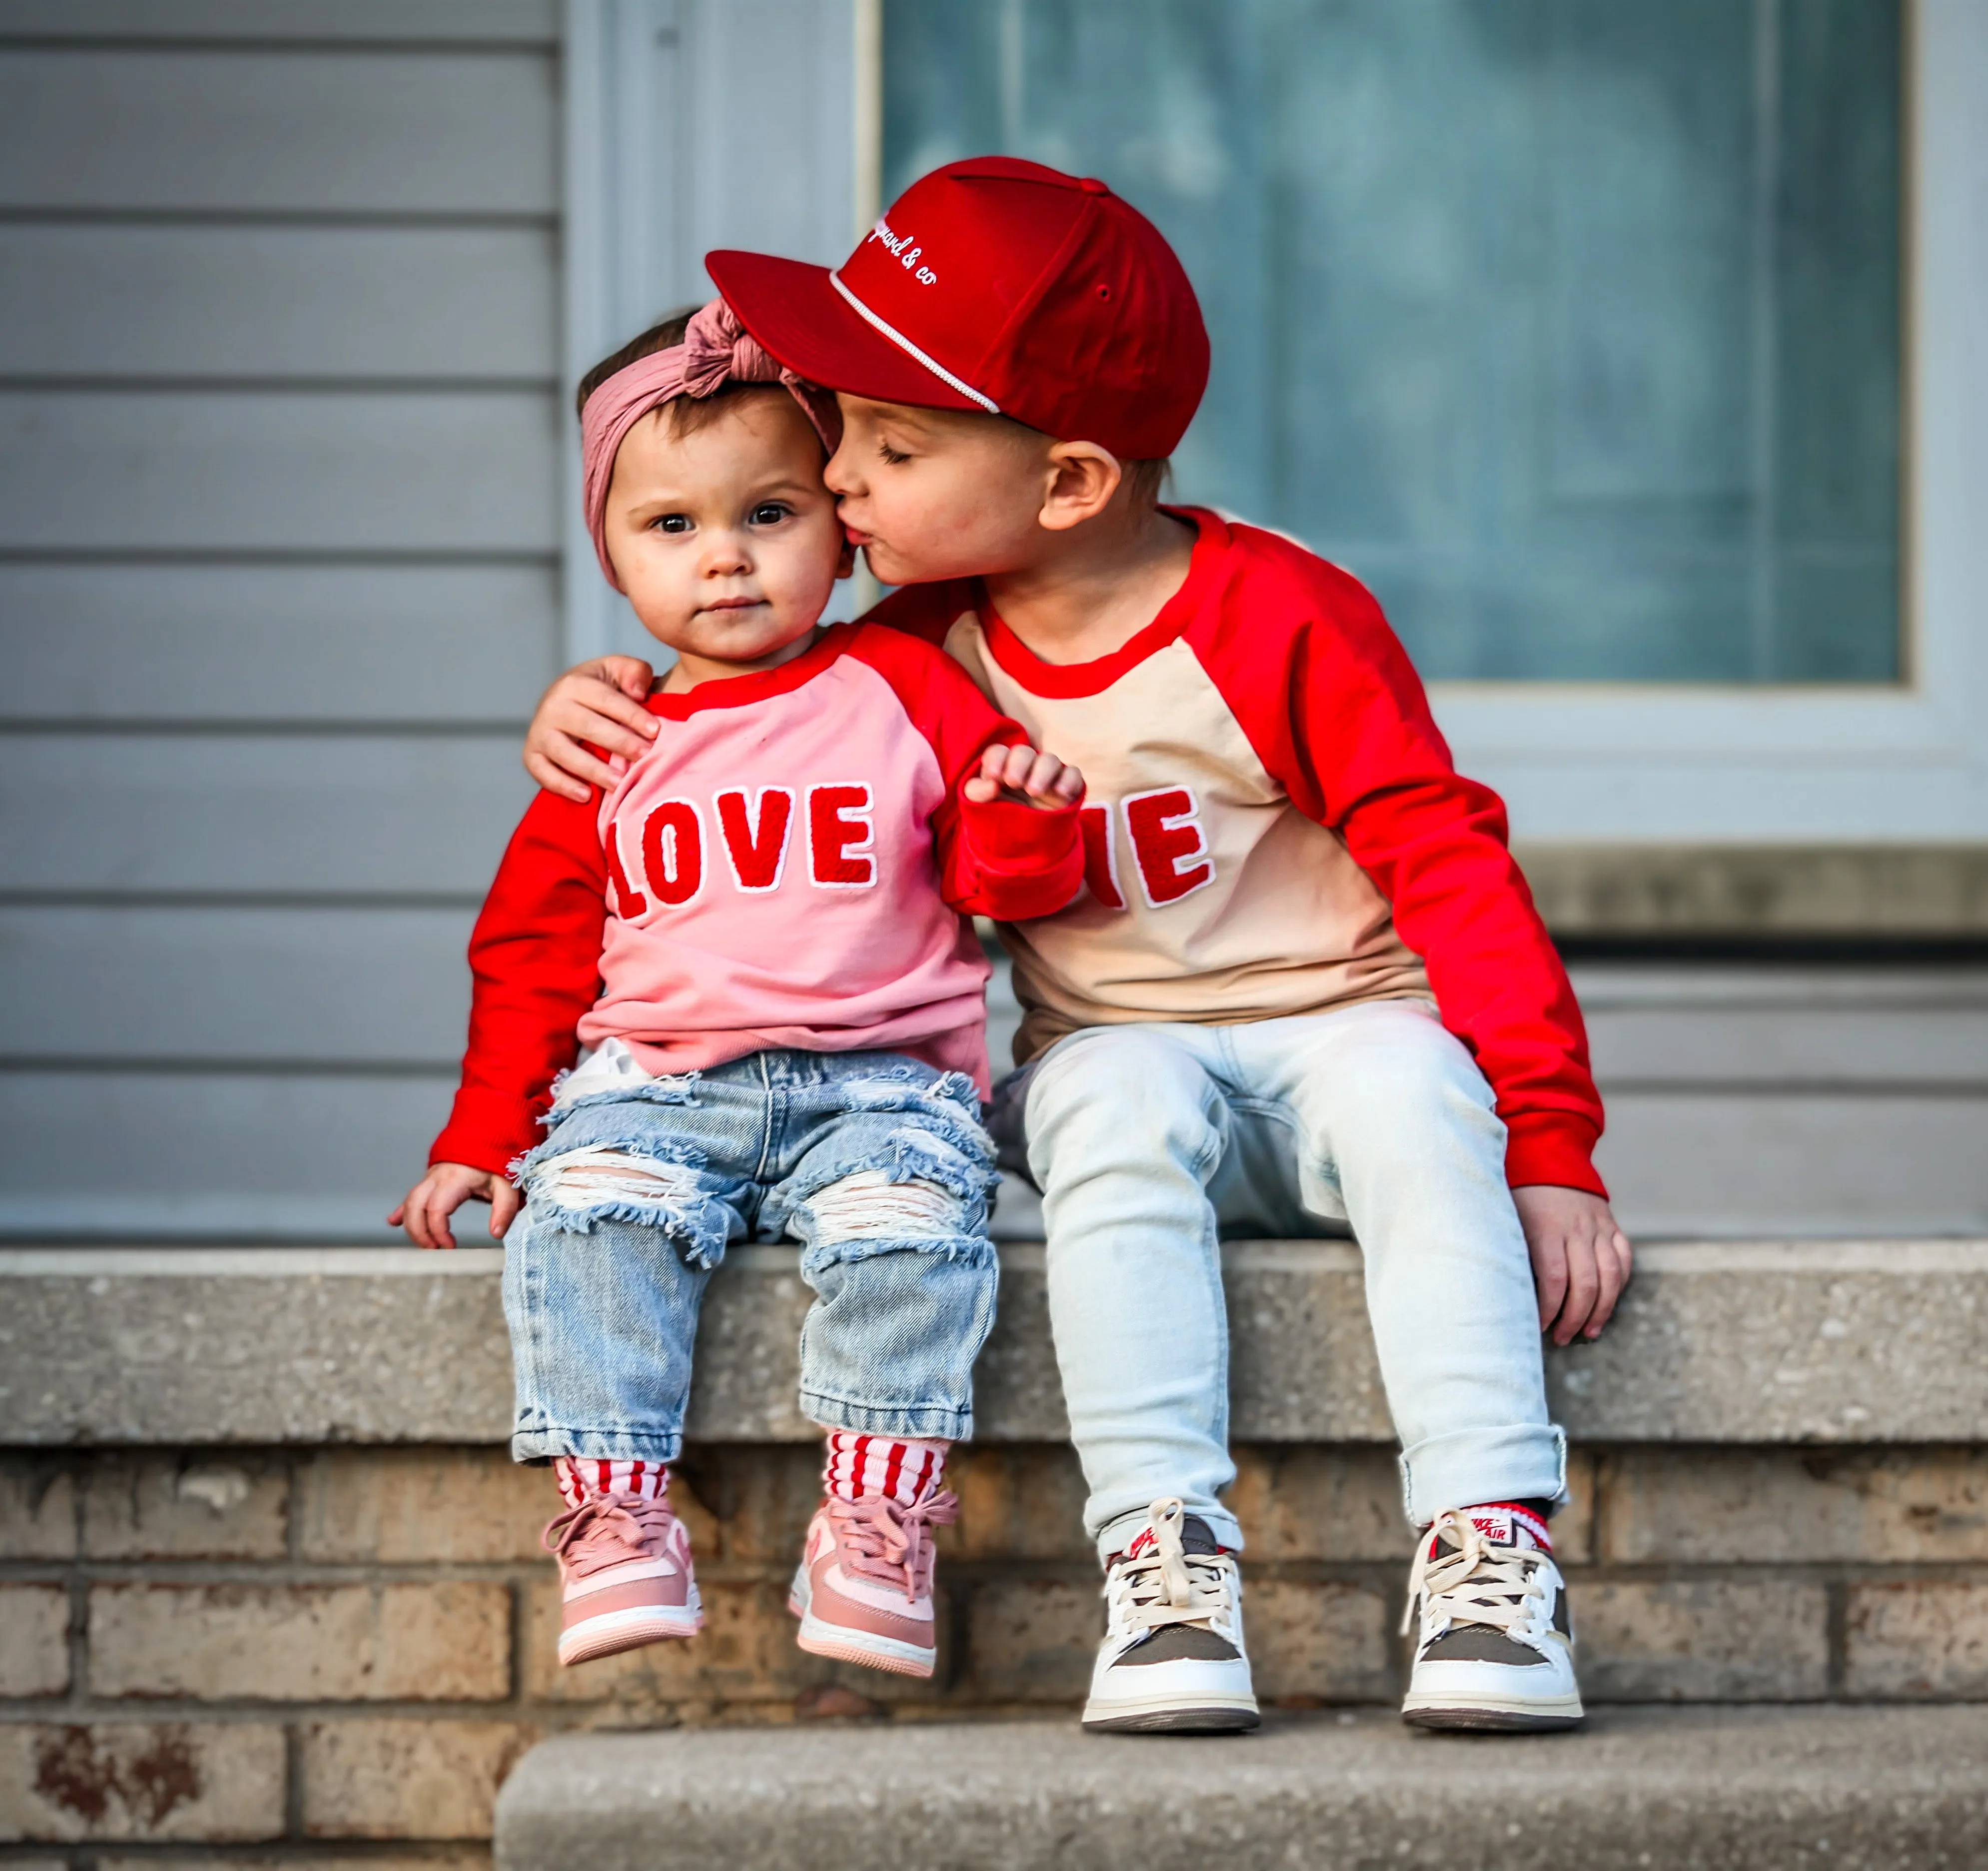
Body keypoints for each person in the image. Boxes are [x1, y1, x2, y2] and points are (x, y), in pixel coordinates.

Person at [519, 159, 1635, 1733]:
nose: (836, 479)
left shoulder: (1280, 618)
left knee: (1407, 1095)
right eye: (842, 437)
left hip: (1342, 1029)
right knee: (1104, 1106)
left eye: (890, 450)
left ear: (1068, 484)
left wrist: (1551, 1142)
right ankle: (1164, 1569)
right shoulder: (910, 646)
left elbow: (1453, 870)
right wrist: (598, 700)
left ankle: (1490, 1553)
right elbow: (731, 696)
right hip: (1119, 1055)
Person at [393, 298, 1085, 1680]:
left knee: (910, 1232)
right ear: (610, 552)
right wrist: (482, 1134)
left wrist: (1023, 806)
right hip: (659, 1085)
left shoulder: (904, 684)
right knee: (585, 1218)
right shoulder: (612, 736)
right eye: (672, 528)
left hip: (879, 1084)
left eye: (768, 512)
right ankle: (616, 1517)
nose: (725, 559)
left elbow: (1003, 886)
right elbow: (533, 953)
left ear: (838, 522)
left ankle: (878, 1520)